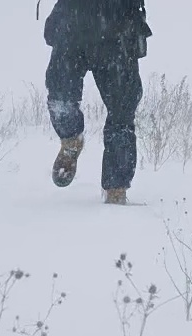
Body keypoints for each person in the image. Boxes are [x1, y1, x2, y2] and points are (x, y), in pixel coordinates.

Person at [43, 0, 152, 205]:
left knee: (122, 114)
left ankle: (116, 189)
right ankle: (70, 142)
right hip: (72, 26)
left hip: (118, 30)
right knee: (61, 98)